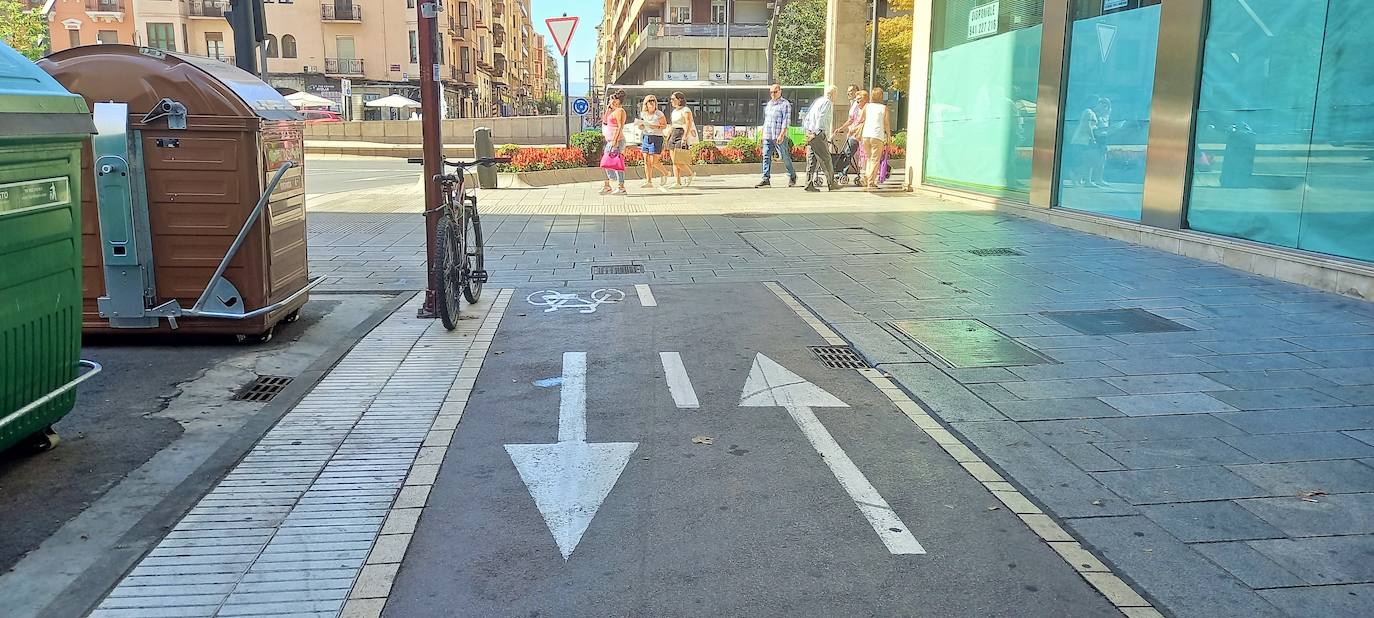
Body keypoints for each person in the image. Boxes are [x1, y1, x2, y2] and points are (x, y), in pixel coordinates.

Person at [755, 83, 797, 188]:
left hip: (779, 135)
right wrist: (762, 134)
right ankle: (765, 179)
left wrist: (782, 134)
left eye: (775, 92)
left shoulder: (785, 104)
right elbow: (766, 120)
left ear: (780, 91)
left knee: (784, 156)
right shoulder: (769, 104)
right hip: (768, 135)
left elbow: (786, 121)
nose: (773, 94)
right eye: (771, 92)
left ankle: (792, 175)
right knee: (766, 156)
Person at [801, 85, 840, 192]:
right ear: (832, 94)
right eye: (836, 94)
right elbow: (821, 118)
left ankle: (808, 183)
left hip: (810, 133)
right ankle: (831, 183)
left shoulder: (818, 101)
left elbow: (808, 116)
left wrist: (808, 131)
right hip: (817, 134)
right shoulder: (827, 103)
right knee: (826, 159)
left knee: (812, 159)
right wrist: (815, 132)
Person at [857, 86, 891, 189]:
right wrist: (889, 135)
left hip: (866, 135)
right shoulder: (884, 108)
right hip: (877, 136)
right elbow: (886, 124)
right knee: (875, 160)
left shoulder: (867, 106)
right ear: (881, 96)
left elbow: (861, 119)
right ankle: (870, 180)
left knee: (869, 158)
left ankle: (868, 179)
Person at [834, 87, 867, 182]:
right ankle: (842, 172)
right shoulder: (854, 104)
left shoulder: (861, 106)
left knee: (848, 152)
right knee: (847, 152)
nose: (848, 93)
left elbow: (859, 120)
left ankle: (842, 173)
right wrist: (841, 128)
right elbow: (851, 119)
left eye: (851, 91)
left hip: (857, 134)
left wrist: (854, 130)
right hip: (852, 133)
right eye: (847, 91)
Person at [666, 91, 698, 189]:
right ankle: (677, 182)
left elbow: (689, 123)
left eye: (673, 99)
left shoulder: (686, 110)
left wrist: (685, 136)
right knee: (674, 161)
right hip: (673, 134)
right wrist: (667, 136)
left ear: (679, 99)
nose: (671, 101)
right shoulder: (674, 111)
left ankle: (690, 173)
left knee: (678, 160)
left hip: (681, 134)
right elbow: (672, 124)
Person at [638, 95, 669, 191]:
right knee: (646, 160)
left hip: (656, 137)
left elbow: (664, 125)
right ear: (646, 104)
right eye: (649, 101)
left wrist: (654, 126)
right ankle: (649, 181)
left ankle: (665, 173)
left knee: (653, 161)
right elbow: (641, 126)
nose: (652, 102)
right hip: (646, 136)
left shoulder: (659, 114)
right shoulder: (643, 114)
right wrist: (641, 126)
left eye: (653, 101)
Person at [600, 89, 627, 195]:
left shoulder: (620, 111)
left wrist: (615, 140)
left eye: (612, 100)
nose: (611, 102)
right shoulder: (613, 111)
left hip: (617, 140)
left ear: (617, 101)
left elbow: (620, 126)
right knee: (607, 162)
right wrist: (608, 109)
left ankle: (621, 186)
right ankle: (607, 185)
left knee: (616, 163)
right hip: (610, 140)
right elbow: (605, 121)